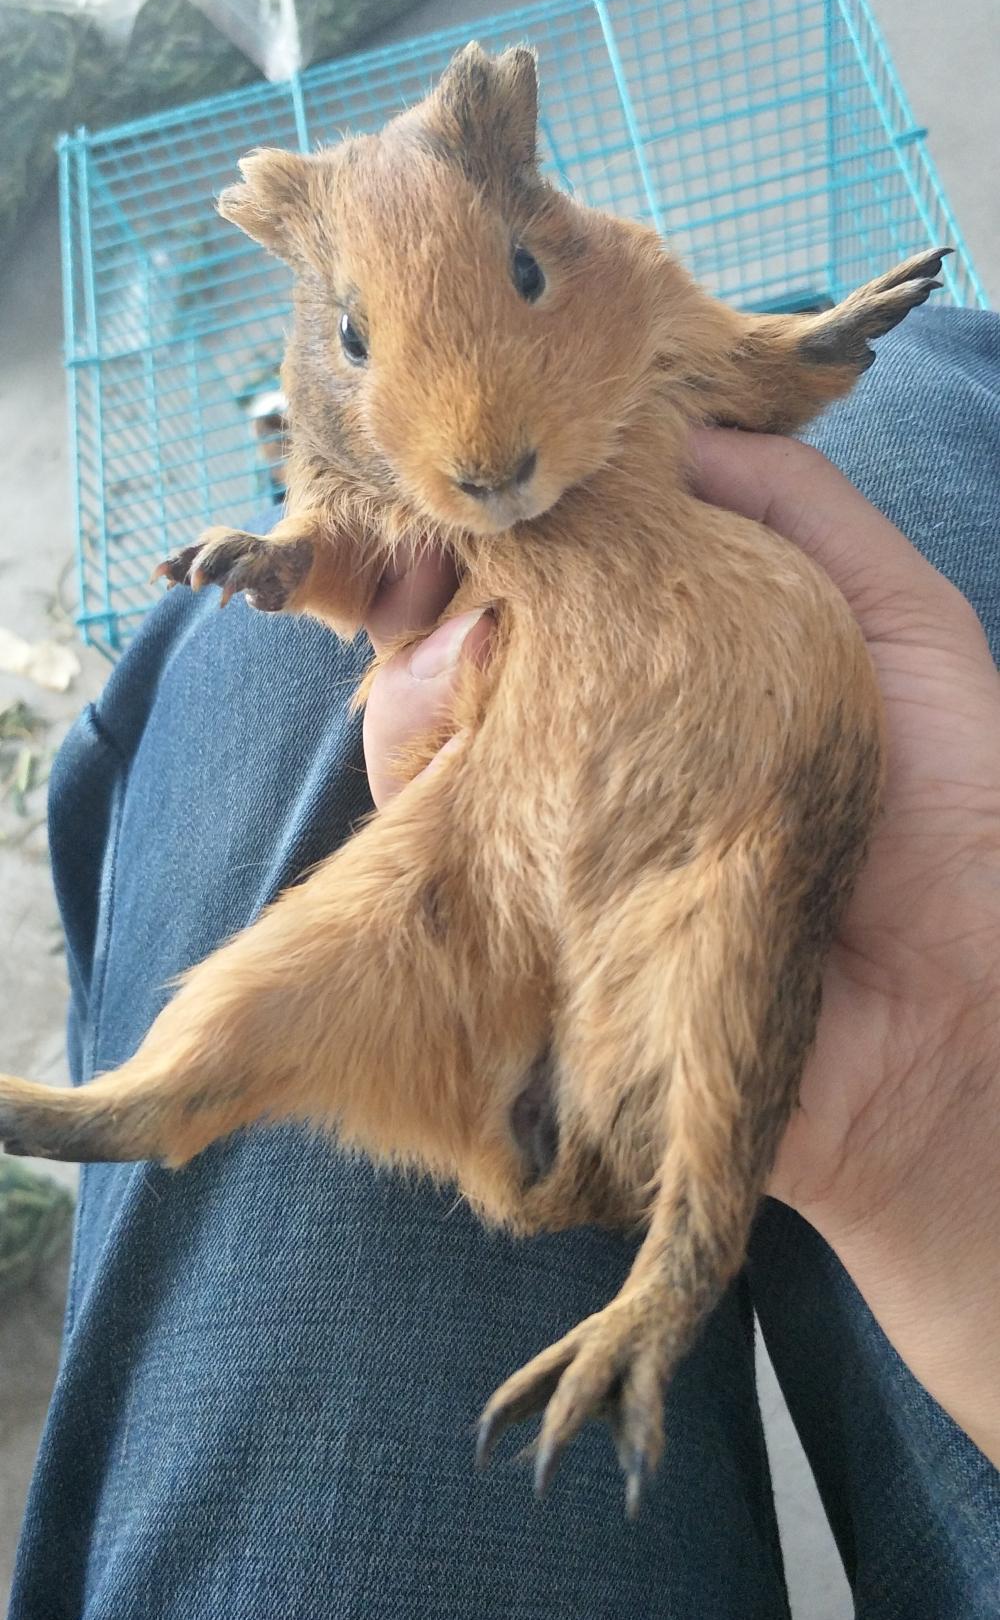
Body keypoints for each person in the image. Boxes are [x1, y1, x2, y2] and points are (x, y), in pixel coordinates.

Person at [9, 306, 1000, 1618]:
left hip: (709, 874)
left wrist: (933, 1084)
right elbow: (355, 539)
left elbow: (717, 351)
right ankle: (159, 1093)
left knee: (206, 683)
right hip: (502, 888)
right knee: (927, 379)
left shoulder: (622, 318)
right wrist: (296, 550)